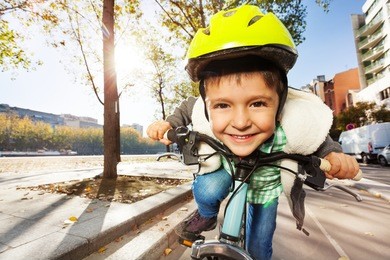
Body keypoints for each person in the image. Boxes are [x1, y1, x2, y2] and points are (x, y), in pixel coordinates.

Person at [147, 5, 360, 260]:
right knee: (208, 190)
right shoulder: (200, 110)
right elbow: (187, 107)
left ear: (280, 105)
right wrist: (168, 123)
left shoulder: (295, 124)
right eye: (223, 105)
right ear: (208, 107)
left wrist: (336, 156)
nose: (240, 122)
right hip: (224, 168)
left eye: (257, 104)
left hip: (265, 190)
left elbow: (319, 139)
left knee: (260, 247)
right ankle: (205, 215)